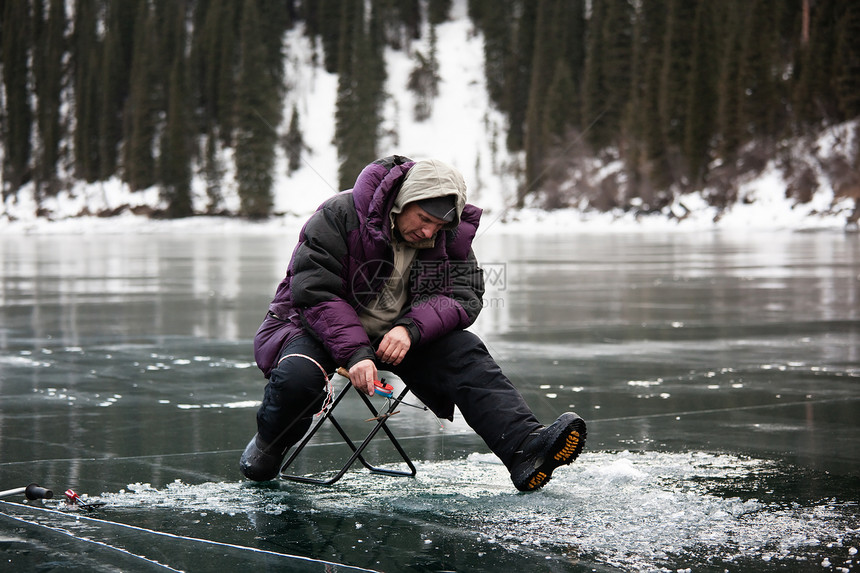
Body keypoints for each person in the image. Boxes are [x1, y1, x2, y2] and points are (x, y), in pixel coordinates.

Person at [240, 155, 586, 491]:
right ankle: (268, 446)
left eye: (438, 226)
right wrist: (357, 353)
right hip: (311, 325)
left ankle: (526, 449)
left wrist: (410, 328)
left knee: (465, 352)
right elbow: (316, 292)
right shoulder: (340, 214)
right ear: (403, 200)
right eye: (423, 218)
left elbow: (462, 294)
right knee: (298, 378)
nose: (428, 231)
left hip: (396, 334)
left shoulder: (449, 235)